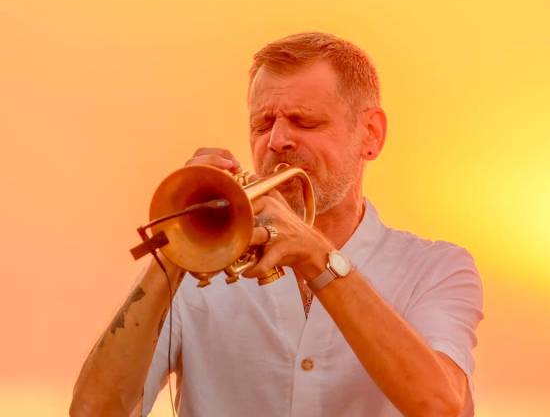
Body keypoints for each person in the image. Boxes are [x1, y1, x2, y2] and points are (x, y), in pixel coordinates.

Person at [70, 32, 484, 416]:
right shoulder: (196, 269)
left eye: (305, 122)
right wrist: (173, 255)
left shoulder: (436, 269)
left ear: (370, 134)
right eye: (262, 124)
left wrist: (318, 258)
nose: (277, 141)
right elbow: (94, 412)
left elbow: (440, 404)